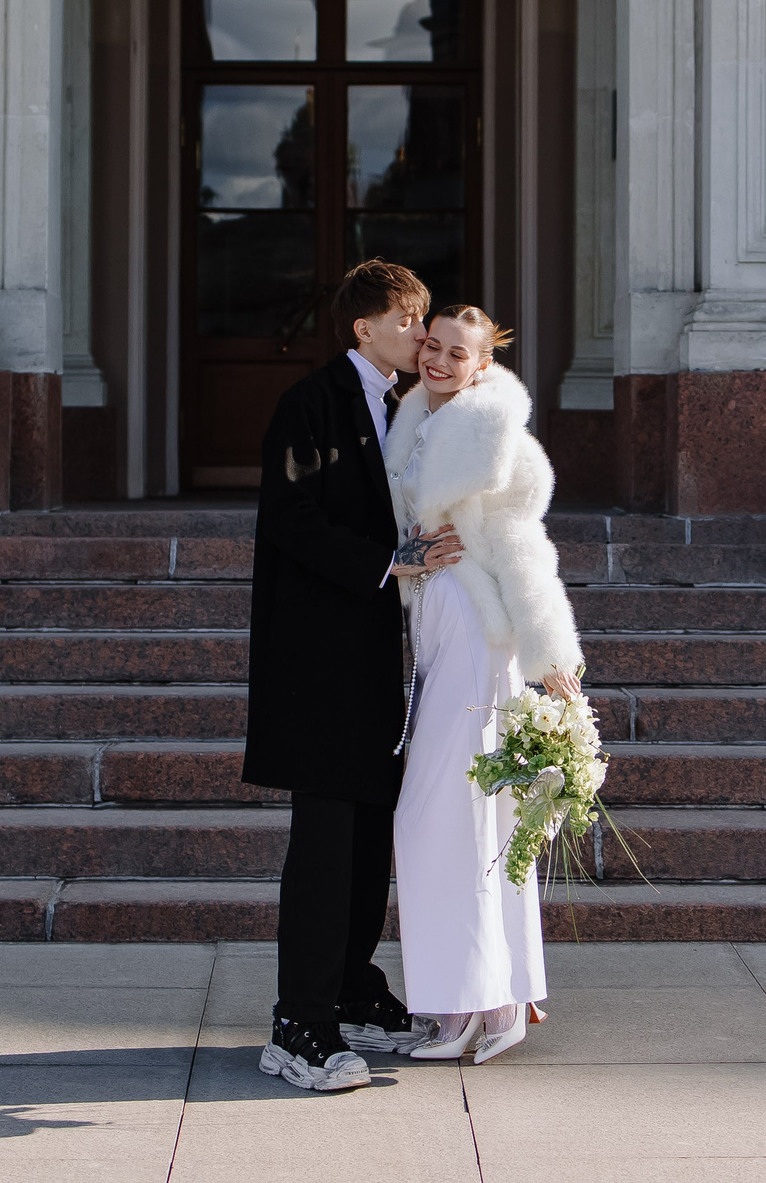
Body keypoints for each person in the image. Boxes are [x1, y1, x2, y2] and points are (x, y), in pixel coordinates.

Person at [246, 259, 466, 1093]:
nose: (420, 334)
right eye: (408, 321)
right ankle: (298, 1026)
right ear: (363, 329)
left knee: (370, 837)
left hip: (376, 656)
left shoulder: (404, 408)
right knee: (326, 844)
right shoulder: (310, 402)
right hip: (317, 660)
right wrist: (390, 562)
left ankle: (351, 991)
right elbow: (290, 518)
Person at [383, 304, 585, 1065]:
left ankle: (471, 1003)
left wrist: (549, 652)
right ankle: (496, 995)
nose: (437, 361)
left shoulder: (488, 435)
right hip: (434, 623)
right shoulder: (416, 422)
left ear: (483, 363)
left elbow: (522, 549)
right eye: (431, 346)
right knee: (465, 817)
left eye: (456, 353)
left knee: (440, 819)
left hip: (474, 630)